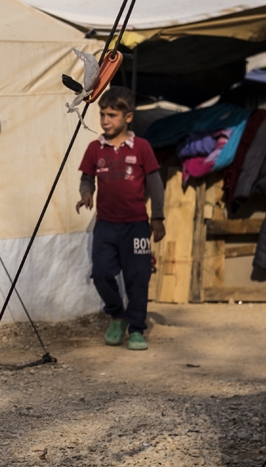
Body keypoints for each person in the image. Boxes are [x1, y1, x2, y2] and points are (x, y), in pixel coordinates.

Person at [76, 86, 165, 351]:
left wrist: (158, 217)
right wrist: (86, 193)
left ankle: (137, 329)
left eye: (112, 115)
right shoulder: (95, 148)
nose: (105, 120)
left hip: (136, 226)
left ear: (128, 117)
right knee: (101, 272)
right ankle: (117, 316)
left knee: (138, 277)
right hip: (106, 226)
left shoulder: (142, 147)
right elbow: (85, 178)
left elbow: (155, 183)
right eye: (102, 114)